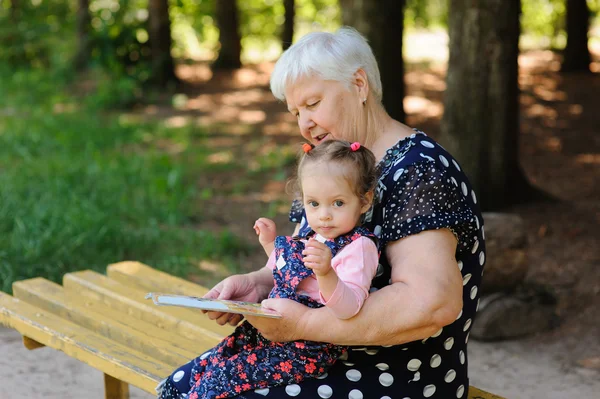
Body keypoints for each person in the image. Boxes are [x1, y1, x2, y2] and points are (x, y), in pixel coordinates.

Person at [171, 26, 484, 398]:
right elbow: (314, 263)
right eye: (296, 112)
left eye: (313, 104)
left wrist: (303, 323)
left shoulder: (419, 170)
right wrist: (259, 284)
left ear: (359, 85)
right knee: (186, 386)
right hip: (316, 354)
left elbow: (430, 303)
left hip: (390, 374)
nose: (304, 123)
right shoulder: (332, 166)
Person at [157, 140, 381, 399]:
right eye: (314, 203)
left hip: (305, 347)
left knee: (219, 384)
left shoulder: (358, 247)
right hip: (269, 334)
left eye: (338, 203)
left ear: (364, 201)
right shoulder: (313, 233)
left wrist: (327, 273)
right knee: (196, 373)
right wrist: (270, 245)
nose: (324, 215)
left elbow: (350, 307)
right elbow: (290, 273)